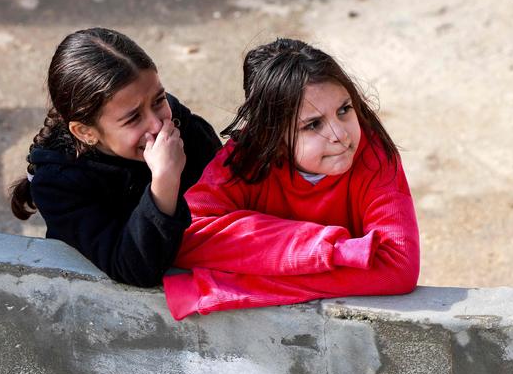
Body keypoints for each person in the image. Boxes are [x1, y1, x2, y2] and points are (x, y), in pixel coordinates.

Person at [164, 38, 420, 320]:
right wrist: (327, 249)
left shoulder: (373, 155)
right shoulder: (244, 160)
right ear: (271, 137)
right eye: (313, 124)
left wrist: (237, 285)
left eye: (344, 109)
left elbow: (398, 268)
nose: (340, 135)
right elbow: (183, 235)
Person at [10, 27, 221, 286]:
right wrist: (164, 184)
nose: (156, 125)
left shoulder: (176, 123)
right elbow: (136, 270)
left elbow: (225, 187)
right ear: (86, 132)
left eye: (158, 100)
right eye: (133, 118)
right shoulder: (60, 185)